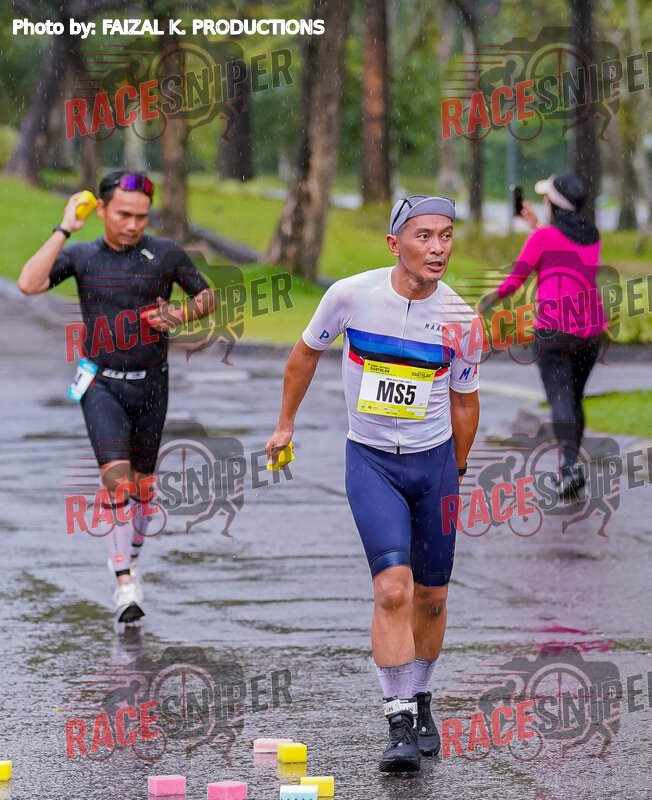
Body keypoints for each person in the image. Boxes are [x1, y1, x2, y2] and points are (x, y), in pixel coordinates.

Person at [265, 195, 481, 772]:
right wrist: (285, 424)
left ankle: (421, 694)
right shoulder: (351, 296)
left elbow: (465, 402)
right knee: (392, 590)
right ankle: (399, 721)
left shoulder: (462, 320)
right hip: (371, 461)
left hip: (435, 466)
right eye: (423, 236)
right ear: (394, 244)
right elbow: (303, 356)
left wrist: (458, 471)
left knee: (431, 598)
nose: (437, 248)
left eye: (446, 236)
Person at [18, 171, 215, 623]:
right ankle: (125, 583)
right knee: (117, 480)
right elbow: (28, 284)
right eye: (124, 214)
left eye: (141, 216)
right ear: (102, 210)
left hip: (151, 383)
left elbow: (206, 298)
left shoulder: (165, 254)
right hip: (100, 383)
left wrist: (181, 313)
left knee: (144, 486)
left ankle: (130, 555)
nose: (132, 224)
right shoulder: (83, 255)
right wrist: (65, 227)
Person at [477, 174, 605, 498]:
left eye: (547, 197)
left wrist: (487, 301)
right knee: (574, 398)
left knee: (560, 397)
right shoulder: (592, 236)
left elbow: (514, 281)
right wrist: (536, 225)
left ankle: (568, 468)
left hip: (555, 330)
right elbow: (562, 250)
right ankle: (571, 466)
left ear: (553, 204)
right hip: (591, 331)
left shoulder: (543, 238)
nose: (544, 200)